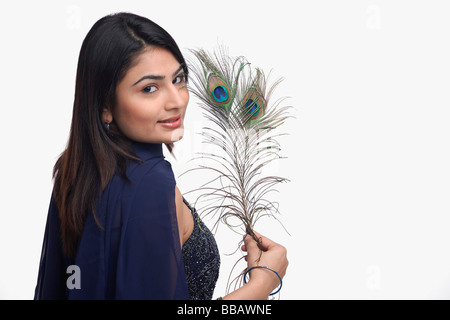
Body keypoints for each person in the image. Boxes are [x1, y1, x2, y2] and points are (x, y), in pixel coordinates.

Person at [34, 12, 288, 300]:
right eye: (150, 88)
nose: (177, 100)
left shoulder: (75, 170)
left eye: (178, 79)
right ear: (105, 105)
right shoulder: (149, 185)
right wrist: (262, 283)